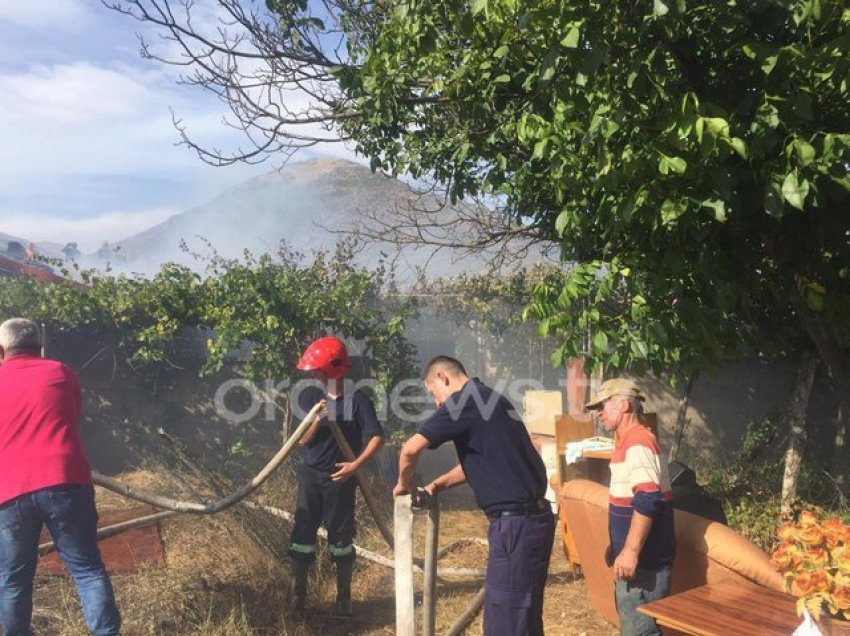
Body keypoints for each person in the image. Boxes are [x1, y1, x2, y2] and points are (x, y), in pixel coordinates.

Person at [394, 356, 554, 636]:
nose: (437, 404)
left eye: (434, 393)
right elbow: (485, 460)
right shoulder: (492, 400)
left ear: (443, 378)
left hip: (515, 525)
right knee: (523, 616)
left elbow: (410, 449)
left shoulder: (464, 402)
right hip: (533, 521)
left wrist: (403, 484)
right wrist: (438, 485)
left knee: (506, 621)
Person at [0, 318, 121, 635]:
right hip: (65, 480)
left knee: (13, 578)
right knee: (87, 570)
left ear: (1, 350)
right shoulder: (61, 373)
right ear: (39, 345)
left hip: (10, 490)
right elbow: (72, 415)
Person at [288, 336, 384, 619]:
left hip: (341, 478)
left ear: (331, 370)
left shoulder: (357, 402)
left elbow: (377, 438)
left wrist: (355, 466)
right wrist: (317, 419)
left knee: (341, 539)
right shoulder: (308, 398)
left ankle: (343, 601)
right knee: (302, 536)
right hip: (310, 476)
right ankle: (298, 599)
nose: (314, 375)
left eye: (318, 370)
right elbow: (301, 442)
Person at [585, 378, 675, 636]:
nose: (599, 413)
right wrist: (618, 547)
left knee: (640, 632)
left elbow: (648, 498)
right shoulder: (628, 441)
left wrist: (631, 552)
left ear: (624, 405)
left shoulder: (638, 442)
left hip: (646, 565)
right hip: (640, 562)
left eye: (603, 405)